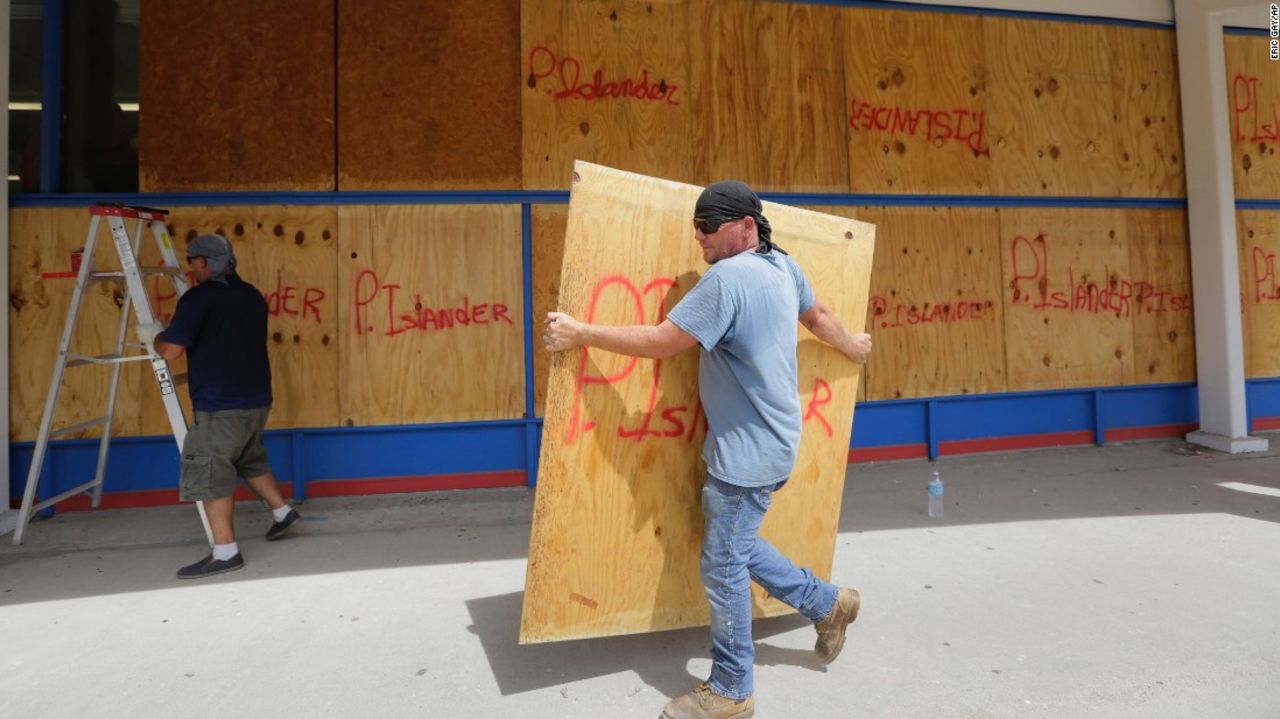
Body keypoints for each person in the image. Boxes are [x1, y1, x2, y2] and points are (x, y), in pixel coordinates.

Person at [544, 181, 873, 719]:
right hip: (776, 443)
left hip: (746, 457)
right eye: (696, 228)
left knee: (722, 566)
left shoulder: (729, 280)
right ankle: (828, 603)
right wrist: (852, 345)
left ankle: (730, 689)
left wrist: (582, 332)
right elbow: (817, 318)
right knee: (734, 546)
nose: (700, 240)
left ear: (746, 227)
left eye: (710, 229)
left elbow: (661, 342)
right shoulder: (782, 267)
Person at [137, 233, 301, 580]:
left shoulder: (198, 300)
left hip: (220, 403)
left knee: (209, 469)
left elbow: (170, 352)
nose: (189, 267)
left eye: (192, 260)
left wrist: (154, 335)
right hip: (257, 399)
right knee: (248, 457)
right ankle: (282, 512)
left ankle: (225, 551)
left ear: (202, 263)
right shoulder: (252, 296)